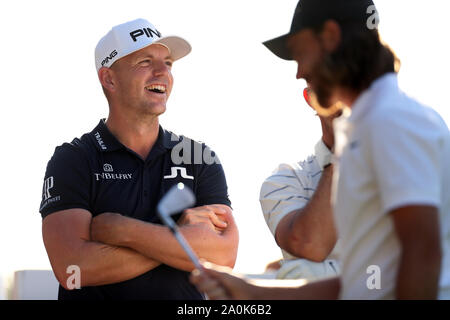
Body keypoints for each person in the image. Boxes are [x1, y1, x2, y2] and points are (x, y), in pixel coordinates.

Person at [191, 0, 450, 299]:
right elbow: (363, 284)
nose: (299, 72)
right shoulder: (372, 125)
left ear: (329, 37)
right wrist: (250, 290)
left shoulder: (390, 120)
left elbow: (422, 254)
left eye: (300, 53)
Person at [39, 18, 239, 300]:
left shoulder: (199, 157)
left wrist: (125, 231)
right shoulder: (74, 159)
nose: (162, 72)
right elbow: (73, 270)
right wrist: (181, 238)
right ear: (109, 79)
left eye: (168, 62)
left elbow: (223, 256)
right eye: (145, 62)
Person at [259, 87, 340, 281]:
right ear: (311, 97)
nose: (348, 97)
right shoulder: (286, 180)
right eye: (336, 84)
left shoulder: (411, 166)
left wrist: (323, 275)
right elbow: (310, 244)